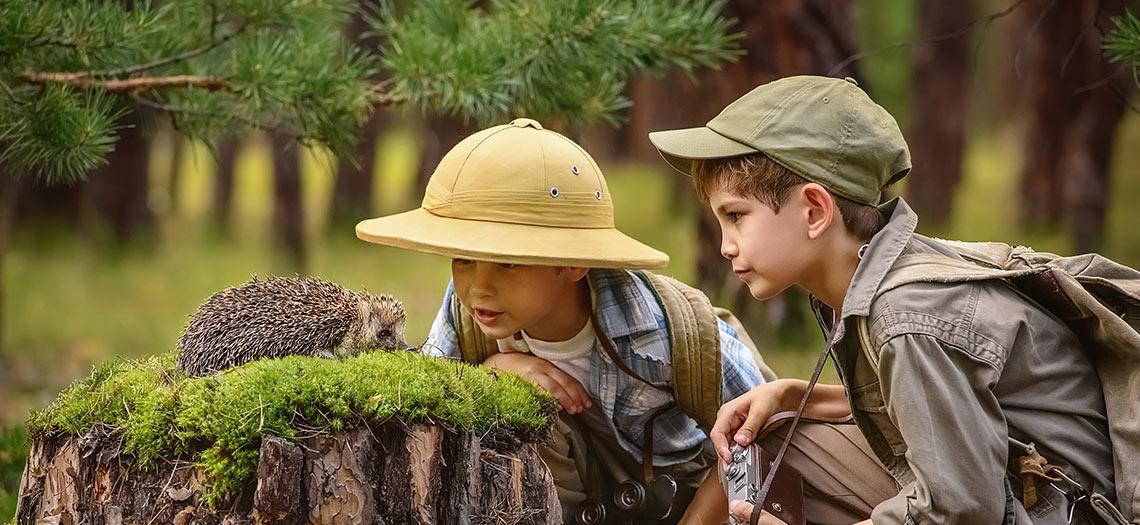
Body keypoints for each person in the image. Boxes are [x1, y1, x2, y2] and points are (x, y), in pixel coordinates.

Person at [648, 75, 1114, 524]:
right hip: (1004, 488)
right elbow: (926, 406)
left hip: (1056, 510)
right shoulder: (875, 273)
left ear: (814, 211)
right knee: (773, 440)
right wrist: (791, 394)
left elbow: (963, 509)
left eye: (736, 216)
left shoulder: (906, 316)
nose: (726, 245)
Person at [355, 117, 769, 524]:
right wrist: (491, 369)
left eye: (509, 262)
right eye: (463, 259)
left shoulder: (657, 329)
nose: (480, 287)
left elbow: (763, 433)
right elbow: (433, 390)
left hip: (689, 484)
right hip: (582, 489)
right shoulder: (467, 311)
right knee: (520, 402)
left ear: (573, 264)